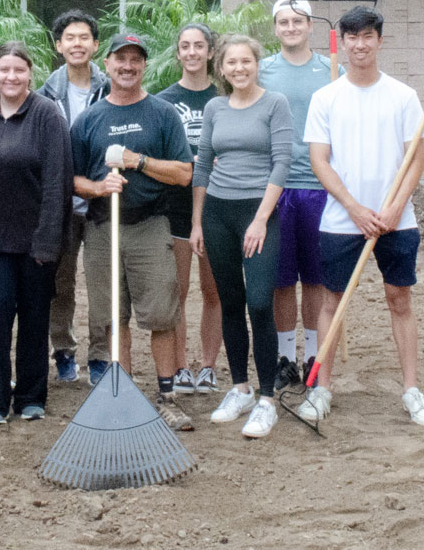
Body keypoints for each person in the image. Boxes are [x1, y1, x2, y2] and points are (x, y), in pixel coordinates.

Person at [303, 6, 424, 426]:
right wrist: (356, 209)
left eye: (368, 37)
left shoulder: (403, 96)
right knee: (332, 302)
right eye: (352, 37)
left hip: (397, 220)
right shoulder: (326, 98)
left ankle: (412, 389)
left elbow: (415, 161)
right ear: (342, 42)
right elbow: (320, 161)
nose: (360, 45)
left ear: (380, 41)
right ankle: (322, 389)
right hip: (342, 220)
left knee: (400, 299)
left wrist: (394, 208)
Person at [70, 32, 196, 430]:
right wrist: (98, 187)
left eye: (135, 60)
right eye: (120, 59)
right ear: (106, 64)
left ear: (144, 66)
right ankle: (120, 396)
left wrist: (136, 161)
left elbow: (184, 173)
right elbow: (71, 178)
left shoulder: (161, 114)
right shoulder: (89, 119)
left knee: (161, 314)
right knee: (112, 316)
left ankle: (167, 395)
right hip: (103, 227)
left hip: (149, 225)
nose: (127, 67)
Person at [189, 35, 294, 438]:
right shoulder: (215, 107)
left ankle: (267, 398)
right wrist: (198, 222)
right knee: (230, 301)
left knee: (259, 302)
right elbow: (202, 166)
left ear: (256, 64)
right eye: (231, 62)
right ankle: (240, 388)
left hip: (258, 212)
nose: (239, 68)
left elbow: (282, 162)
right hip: (217, 211)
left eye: (246, 61)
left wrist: (261, 218)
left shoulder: (274, 104)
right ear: (222, 68)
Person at [0, 42, 72, 426]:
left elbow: (57, 182)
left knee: (33, 317)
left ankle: (30, 396)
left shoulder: (47, 115)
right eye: (4, 70)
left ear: (31, 74)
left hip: (36, 239)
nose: (11, 77)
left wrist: (48, 241)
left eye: (19, 70)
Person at [260, 0, 340, 389]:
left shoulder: (332, 70)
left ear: (310, 26)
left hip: (318, 187)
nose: (290, 28)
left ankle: (312, 355)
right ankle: (282, 357)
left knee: (315, 279)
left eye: (298, 21)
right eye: (283, 22)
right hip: (276, 186)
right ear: (275, 28)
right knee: (280, 280)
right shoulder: (261, 72)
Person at [36, 10, 109, 384]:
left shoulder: (112, 89)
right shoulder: (44, 94)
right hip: (60, 205)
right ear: (58, 45)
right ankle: (62, 349)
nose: (77, 44)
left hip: (101, 204)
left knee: (102, 285)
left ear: (95, 45)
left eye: (84, 37)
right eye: (69, 38)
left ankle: (100, 355)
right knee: (59, 284)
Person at [154, 23, 224, 396]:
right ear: (178, 53)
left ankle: (209, 366)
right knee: (177, 292)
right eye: (186, 46)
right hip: (176, 208)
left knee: (214, 292)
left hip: (219, 206)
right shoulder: (162, 101)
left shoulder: (225, 96)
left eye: (200, 46)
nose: (193, 52)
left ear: (211, 52)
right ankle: (181, 367)